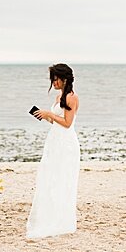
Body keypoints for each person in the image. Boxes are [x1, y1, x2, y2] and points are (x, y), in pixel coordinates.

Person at [27, 64, 81, 239]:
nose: (53, 82)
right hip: (55, 140)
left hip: (66, 143)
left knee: (63, 180)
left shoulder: (72, 97)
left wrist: (49, 114)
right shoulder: (59, 97)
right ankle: (51, 216)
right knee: (50, 178)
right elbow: (56, 122)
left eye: (55, 79)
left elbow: (67, 123)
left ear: (64, 79)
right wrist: (45, 116)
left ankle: (62, 220)